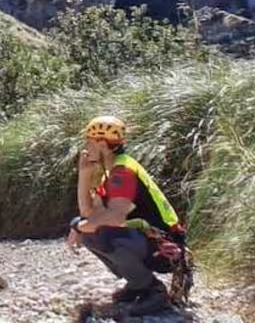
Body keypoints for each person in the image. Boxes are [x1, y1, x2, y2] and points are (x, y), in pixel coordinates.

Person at [67, 115, 190, 316]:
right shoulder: (111, 171)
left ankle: (152, 291)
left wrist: (79, 226)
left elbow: (114, 217)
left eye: (88, 141)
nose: (85, 147)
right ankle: (138, 284)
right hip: (152, 242)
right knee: (89, 230)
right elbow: (89, 214)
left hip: (166, 248)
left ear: (101, 143)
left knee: (99, 232)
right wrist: (84, 175)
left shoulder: (122, 171)